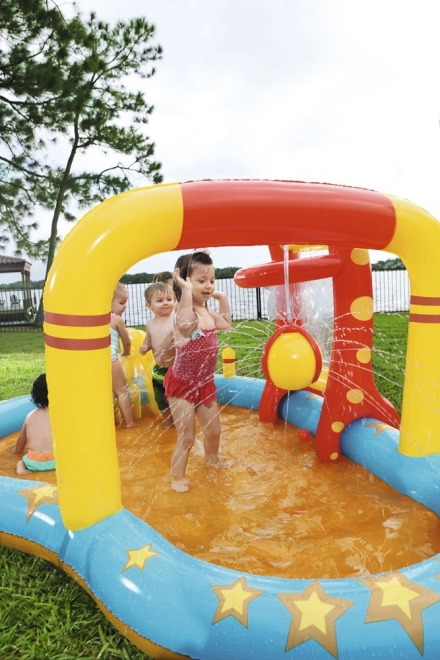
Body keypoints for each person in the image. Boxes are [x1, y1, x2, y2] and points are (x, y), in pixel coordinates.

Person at [164, 250, 232, 492]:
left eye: (212, 280)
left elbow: (227, 323)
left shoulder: (208, 312)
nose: (208, 286)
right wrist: (183, 292)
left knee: (214, 431)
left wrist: (221, 296)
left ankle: (211, 460)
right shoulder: (184, 312)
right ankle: (177, 477)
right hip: (182, 385)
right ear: (184, 280)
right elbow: (186, 326)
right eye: (201, 281)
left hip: (204, 383)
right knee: (188, 437)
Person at [139, 282, 176, 428]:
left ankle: (182, 424)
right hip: (159, 370)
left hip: (176, 369)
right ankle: (168, 425)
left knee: (179, 399)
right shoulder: (150, 324)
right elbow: (149, 339)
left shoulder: (176, 320)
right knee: (161, 401)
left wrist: (182, 338)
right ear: (149, 305)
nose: (165, 303)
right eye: (160, 301)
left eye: (169, 299)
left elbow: (190, 335)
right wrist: (145, 346)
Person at [9, 373, 54, 475]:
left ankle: (20, 468)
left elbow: (22, 439)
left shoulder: (30, 416)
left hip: (33, 462)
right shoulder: (59, 416)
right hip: (55, 460)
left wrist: (16, 450)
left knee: (21, 461)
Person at [110, 282, 135, 428]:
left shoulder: (95, 320)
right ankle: (130, 423)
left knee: (108, 392)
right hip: (111, 360)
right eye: (121, 302)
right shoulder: (117, 320)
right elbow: (127, 342)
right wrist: (125, 353)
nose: (124, 306)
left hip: (95, 361)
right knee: (121, 391)